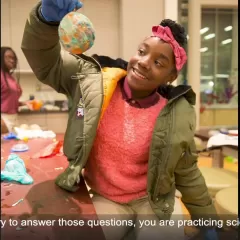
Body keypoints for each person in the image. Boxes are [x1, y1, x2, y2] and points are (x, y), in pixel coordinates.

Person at [21, 1, 219, 240]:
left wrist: (208, 221)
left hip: (154, 202)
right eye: (142, 51)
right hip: (107, 199)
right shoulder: (93, 83)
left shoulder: (176, 113)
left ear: (171, 76)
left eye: (159, 63)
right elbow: (47, 62)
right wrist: (46, 20)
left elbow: (187, 171)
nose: (144, 62)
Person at [1, 47, 31, 132]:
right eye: (8, 57)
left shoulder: (10, 77)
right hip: (3, 120)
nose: (12, 60)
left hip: (14, 118)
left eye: (13, 58)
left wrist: (25, 103)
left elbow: (7, 101)